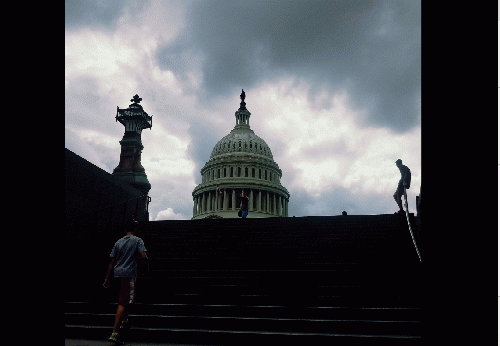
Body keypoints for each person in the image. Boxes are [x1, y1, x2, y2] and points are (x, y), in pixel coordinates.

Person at [103, 220, 148, 344]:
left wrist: (107, 278)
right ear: (135, 229)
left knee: (125, 298)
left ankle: (124, 321)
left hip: (118, 274)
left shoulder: (118, 242)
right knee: (123, 302)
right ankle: (115, 333)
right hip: (129, 274)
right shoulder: (138, 241)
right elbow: (143, 256)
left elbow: (112, 261)